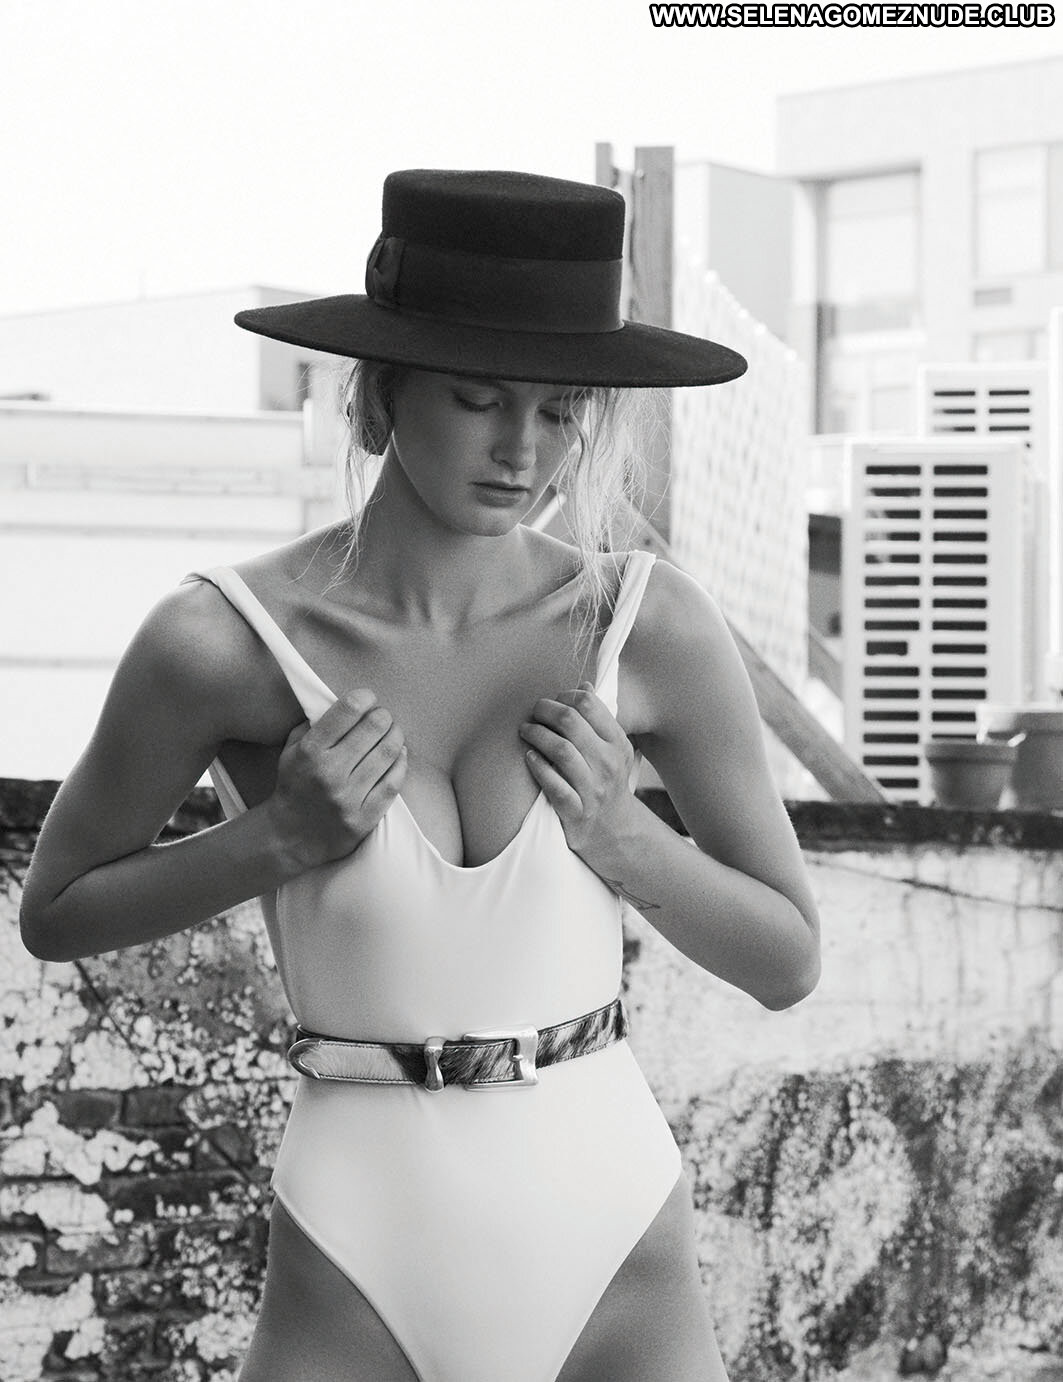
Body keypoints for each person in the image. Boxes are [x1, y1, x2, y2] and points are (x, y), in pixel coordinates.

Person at [20, 168, 821, 1382]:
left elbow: (786, 958)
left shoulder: (646, 626)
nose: (523, 450)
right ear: (377, 397)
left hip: (613, 1245)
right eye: (478, 398)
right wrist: (272, 838)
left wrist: (627, 838)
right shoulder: (221, 640)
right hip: (355, 1252)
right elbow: (57, 911)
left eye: (561, 411)